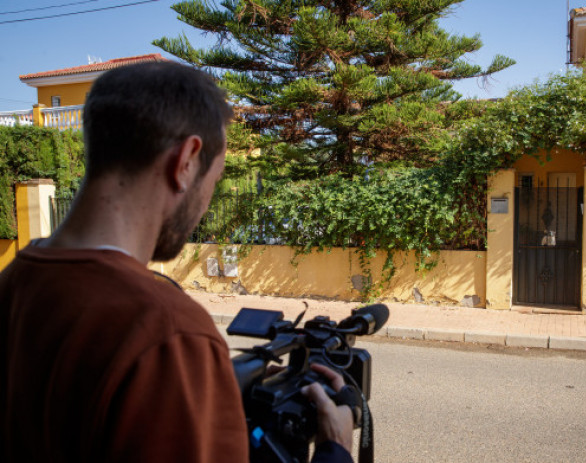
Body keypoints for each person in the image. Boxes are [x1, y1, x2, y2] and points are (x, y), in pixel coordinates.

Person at [0, 61, 353, 463]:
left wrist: (214, 390)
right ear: (186, 161)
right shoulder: (168, 333)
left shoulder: (13, 282)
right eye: (214, 181)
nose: (206, 204)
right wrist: (335, 450)